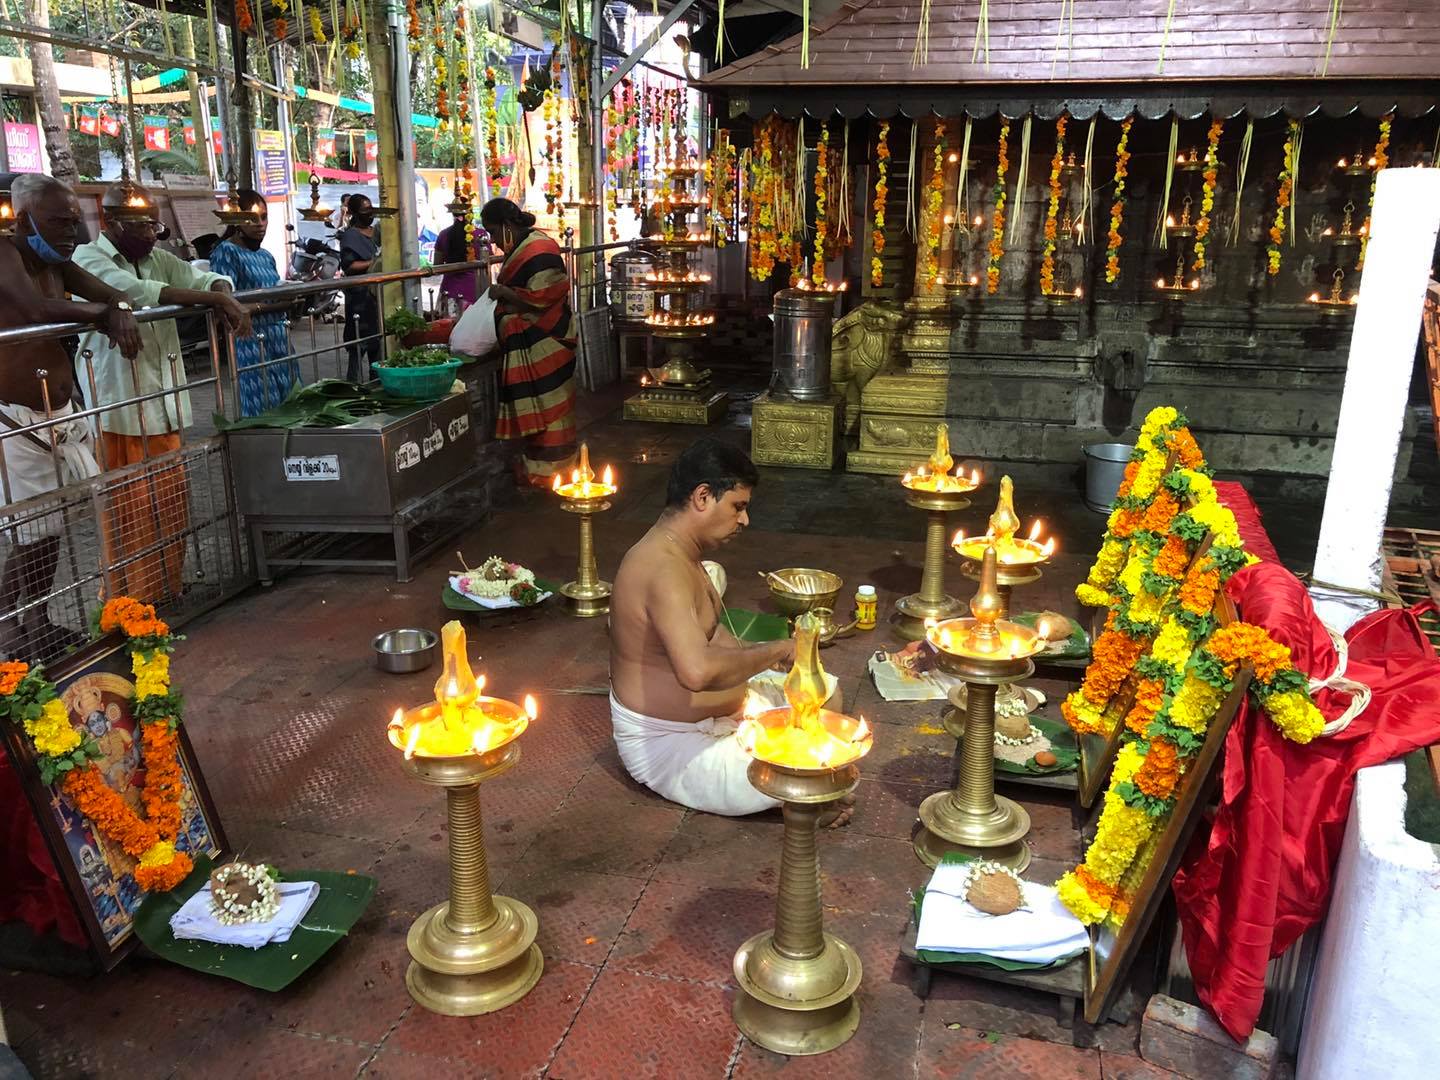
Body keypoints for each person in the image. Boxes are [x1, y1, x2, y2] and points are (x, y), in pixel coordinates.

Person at [608, 439, 849, 821]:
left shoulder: (684, 556)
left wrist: (781, 660)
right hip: (672, 746)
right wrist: (777, 650)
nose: (745, 521)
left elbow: (719, 641)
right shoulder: (663, 568)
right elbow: (697, 672)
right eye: (738, 507)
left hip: (718, 719)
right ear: (703, 496)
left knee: (827, 693)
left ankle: (799, 790)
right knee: (811, 772)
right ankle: (798, 798)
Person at [73, 180, 250, 606]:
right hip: (121, 409)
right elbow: (136, 294)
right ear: (113, 224)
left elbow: (203, 275)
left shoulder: (158, 258)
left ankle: (164, 588)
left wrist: (220, 292)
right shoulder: (87, 258)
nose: (153, 234)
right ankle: (126, 600)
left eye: (155, 226)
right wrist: (214, 301)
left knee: (169, 506)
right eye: (143, 227)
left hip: (164, 404)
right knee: (128, 511)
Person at [0, 174, 142, 661]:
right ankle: (4, 620)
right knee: (30, 528)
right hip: (15, 417)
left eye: (73, 221)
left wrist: (117, 306)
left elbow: (108, 292)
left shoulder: (59, 262)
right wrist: (106, 312)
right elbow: (36, 308)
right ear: (23, 220)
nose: (70, 232)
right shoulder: (5, 254)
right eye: (58, 221)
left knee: (52, 525)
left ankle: (35, 616)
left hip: (57, 413)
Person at [481, 197, 578, 487]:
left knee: (553, 409)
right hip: (534, 338)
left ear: (507, 225)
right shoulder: (524, 248)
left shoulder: (539, 248)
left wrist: (505, 296)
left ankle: (555, 472)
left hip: (550, 336)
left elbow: (546, 294)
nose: (494, 241)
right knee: (542, 411)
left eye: (494, 232)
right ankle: (538, 470)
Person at [207, 189, 298, 415]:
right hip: (249, 339)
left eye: (264, 217)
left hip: (279, 335)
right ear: (237, 220)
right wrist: (267, 305)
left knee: (292, 401)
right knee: (263, 407)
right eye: (252, 218)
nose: (260, 224)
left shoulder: (266, 256)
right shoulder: (227, 252)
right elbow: (229, 305)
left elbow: (283, 298)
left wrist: (267, 304)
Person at [338, 193, 380, 382]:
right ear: (355, 213)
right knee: (358, 346)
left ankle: (377, 382)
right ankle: (353, 388)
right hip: (360, 298)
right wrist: (374, 263)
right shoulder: (350, 236)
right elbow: (349, 266)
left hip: (378, 297)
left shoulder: (377, 232)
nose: (369, 214)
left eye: (371, 210)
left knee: (378, 348)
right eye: (364, 211)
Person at [433, 203, 479, 311]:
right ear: (471, 215)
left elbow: (437, 266)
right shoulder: (480, 235)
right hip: (475, 291)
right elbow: (487, 263)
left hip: (449, 291)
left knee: (449, 326)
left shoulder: (443, 234)